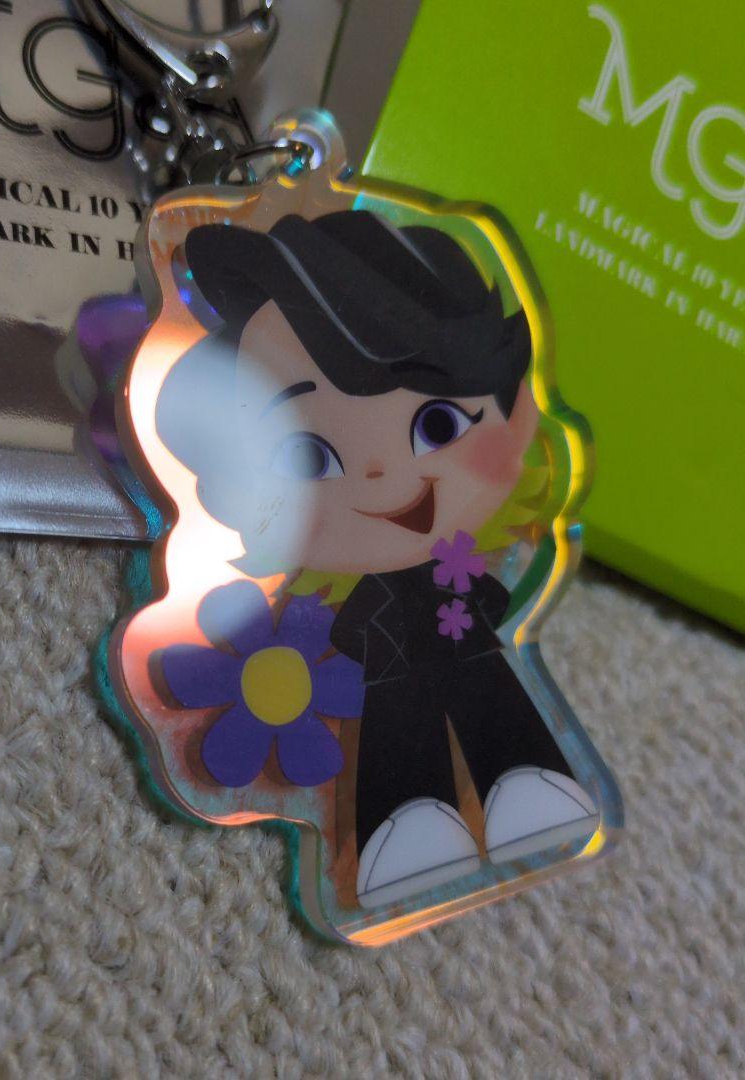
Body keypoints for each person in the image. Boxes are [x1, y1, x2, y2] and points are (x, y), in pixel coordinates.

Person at [155, 209, 598, 908]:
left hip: (465, 631)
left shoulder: (477, 559)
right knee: (394, 712)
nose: (382, 478)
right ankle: (404, 817)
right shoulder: (344, 593)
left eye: (438, 424)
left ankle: (528, 779)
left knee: (488, 685)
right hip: (382, 657)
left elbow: (497, 602)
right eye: (307, 457)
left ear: (516, 411)